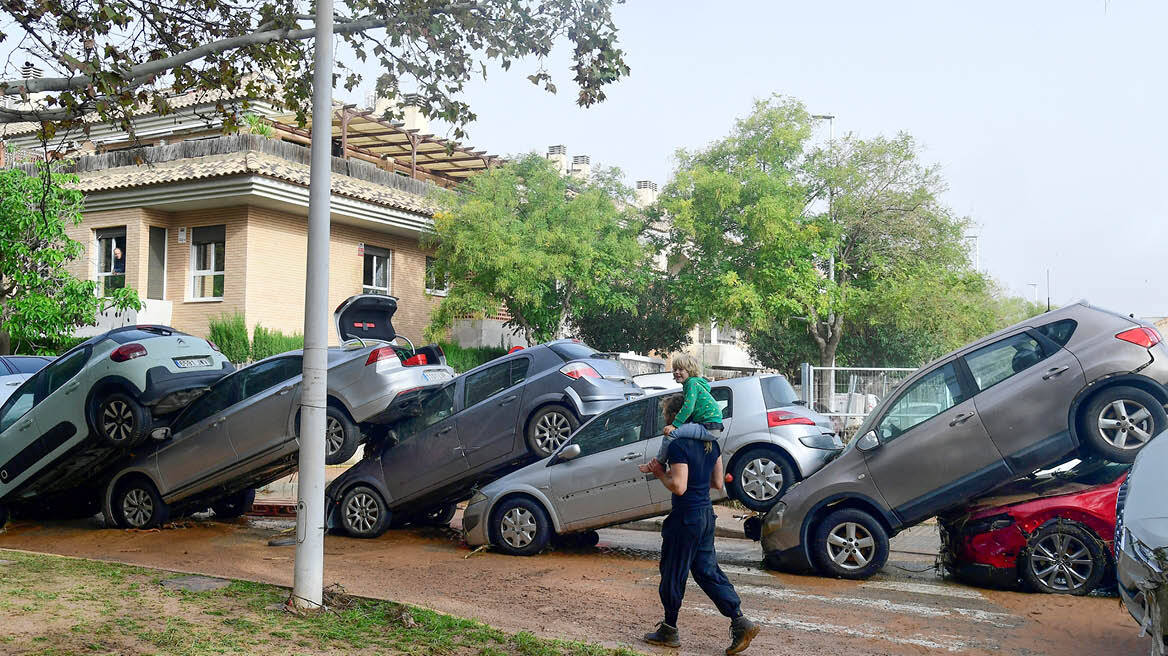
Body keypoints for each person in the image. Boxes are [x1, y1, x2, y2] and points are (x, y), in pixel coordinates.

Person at [639, 390, 760, 654]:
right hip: (706, 515)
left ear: (676, 417)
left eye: (666, 415)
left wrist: (660, 472)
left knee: (673, 571)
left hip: (686, 517)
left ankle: (669, 630)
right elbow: (718, 484)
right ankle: (740, 620)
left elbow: (678, 486)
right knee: (706, 570)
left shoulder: (678, 445)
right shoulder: (711, 444)